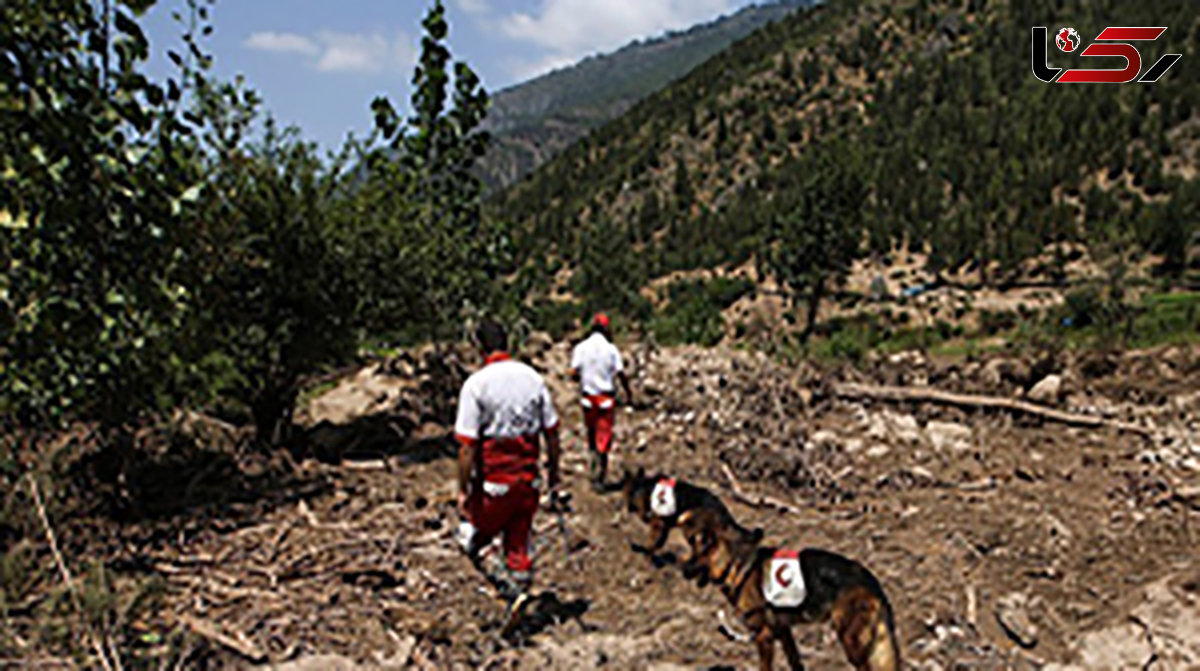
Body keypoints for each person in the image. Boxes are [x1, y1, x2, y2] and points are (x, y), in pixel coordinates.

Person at [454, 320, 562, 629]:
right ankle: (522, 606)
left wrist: (463, 491)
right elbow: (552, 434)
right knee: (518, 544)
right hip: (528, 482)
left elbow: (466, 447)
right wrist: (554, 476)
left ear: (479, 348)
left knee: (471, 538)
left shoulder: (476, 384)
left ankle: (510, 593)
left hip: (494, 483)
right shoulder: (533, 379)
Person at [569, 313, 634, 491]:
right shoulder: (611, 349)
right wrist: (629, 394)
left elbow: (573, 372)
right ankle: (600, 476)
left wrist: (583, 378)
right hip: (606, 398)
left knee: (591, 433)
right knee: (604, 437)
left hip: (587, 399)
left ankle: (592, 467)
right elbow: (621, 373)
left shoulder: (581, 348)